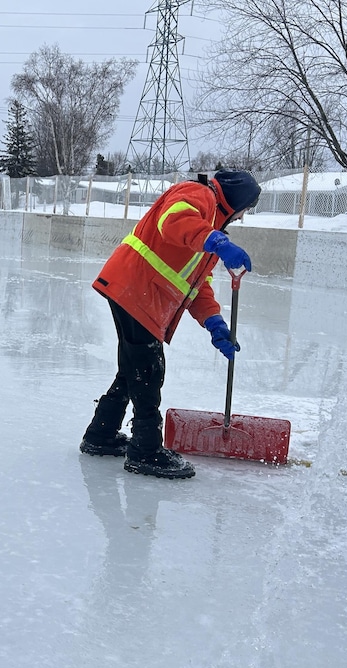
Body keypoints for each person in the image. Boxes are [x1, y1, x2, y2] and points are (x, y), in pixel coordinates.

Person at [80, 169, 262, 479]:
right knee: (149, 371)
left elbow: (197, 286)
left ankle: (102, 434)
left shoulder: (211, 228)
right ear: (239, 201)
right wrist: (216, 241)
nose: (243, 217)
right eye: (247, 209)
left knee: (133, 370)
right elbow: (174, 222)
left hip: (138, 293)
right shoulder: (199, 195)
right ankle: (145, 452)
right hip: (137, 290)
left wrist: (215, 324)